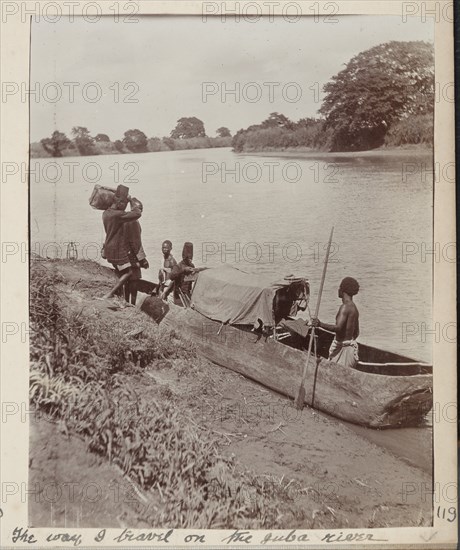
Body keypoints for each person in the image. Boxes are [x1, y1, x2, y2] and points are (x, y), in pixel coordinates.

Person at [101, 185, 145, 301]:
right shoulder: (117, 215)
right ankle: (110, 294)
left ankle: (121, 299)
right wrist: (131, 200)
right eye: (124, 203)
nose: (124, 207)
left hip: (109, 248)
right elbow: (137, 213)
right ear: (120, 202)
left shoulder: (106, 213)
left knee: (121, 273)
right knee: (129, 273)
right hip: (117, 249)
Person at [311, 277, 360, 368]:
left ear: (343, 290)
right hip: (350, 350)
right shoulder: (354, 308)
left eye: (340, 287)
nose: (338, 290)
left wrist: (320, 324)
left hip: (342, 350)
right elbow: (357, 332)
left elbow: (338, 328)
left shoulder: (345, 307)